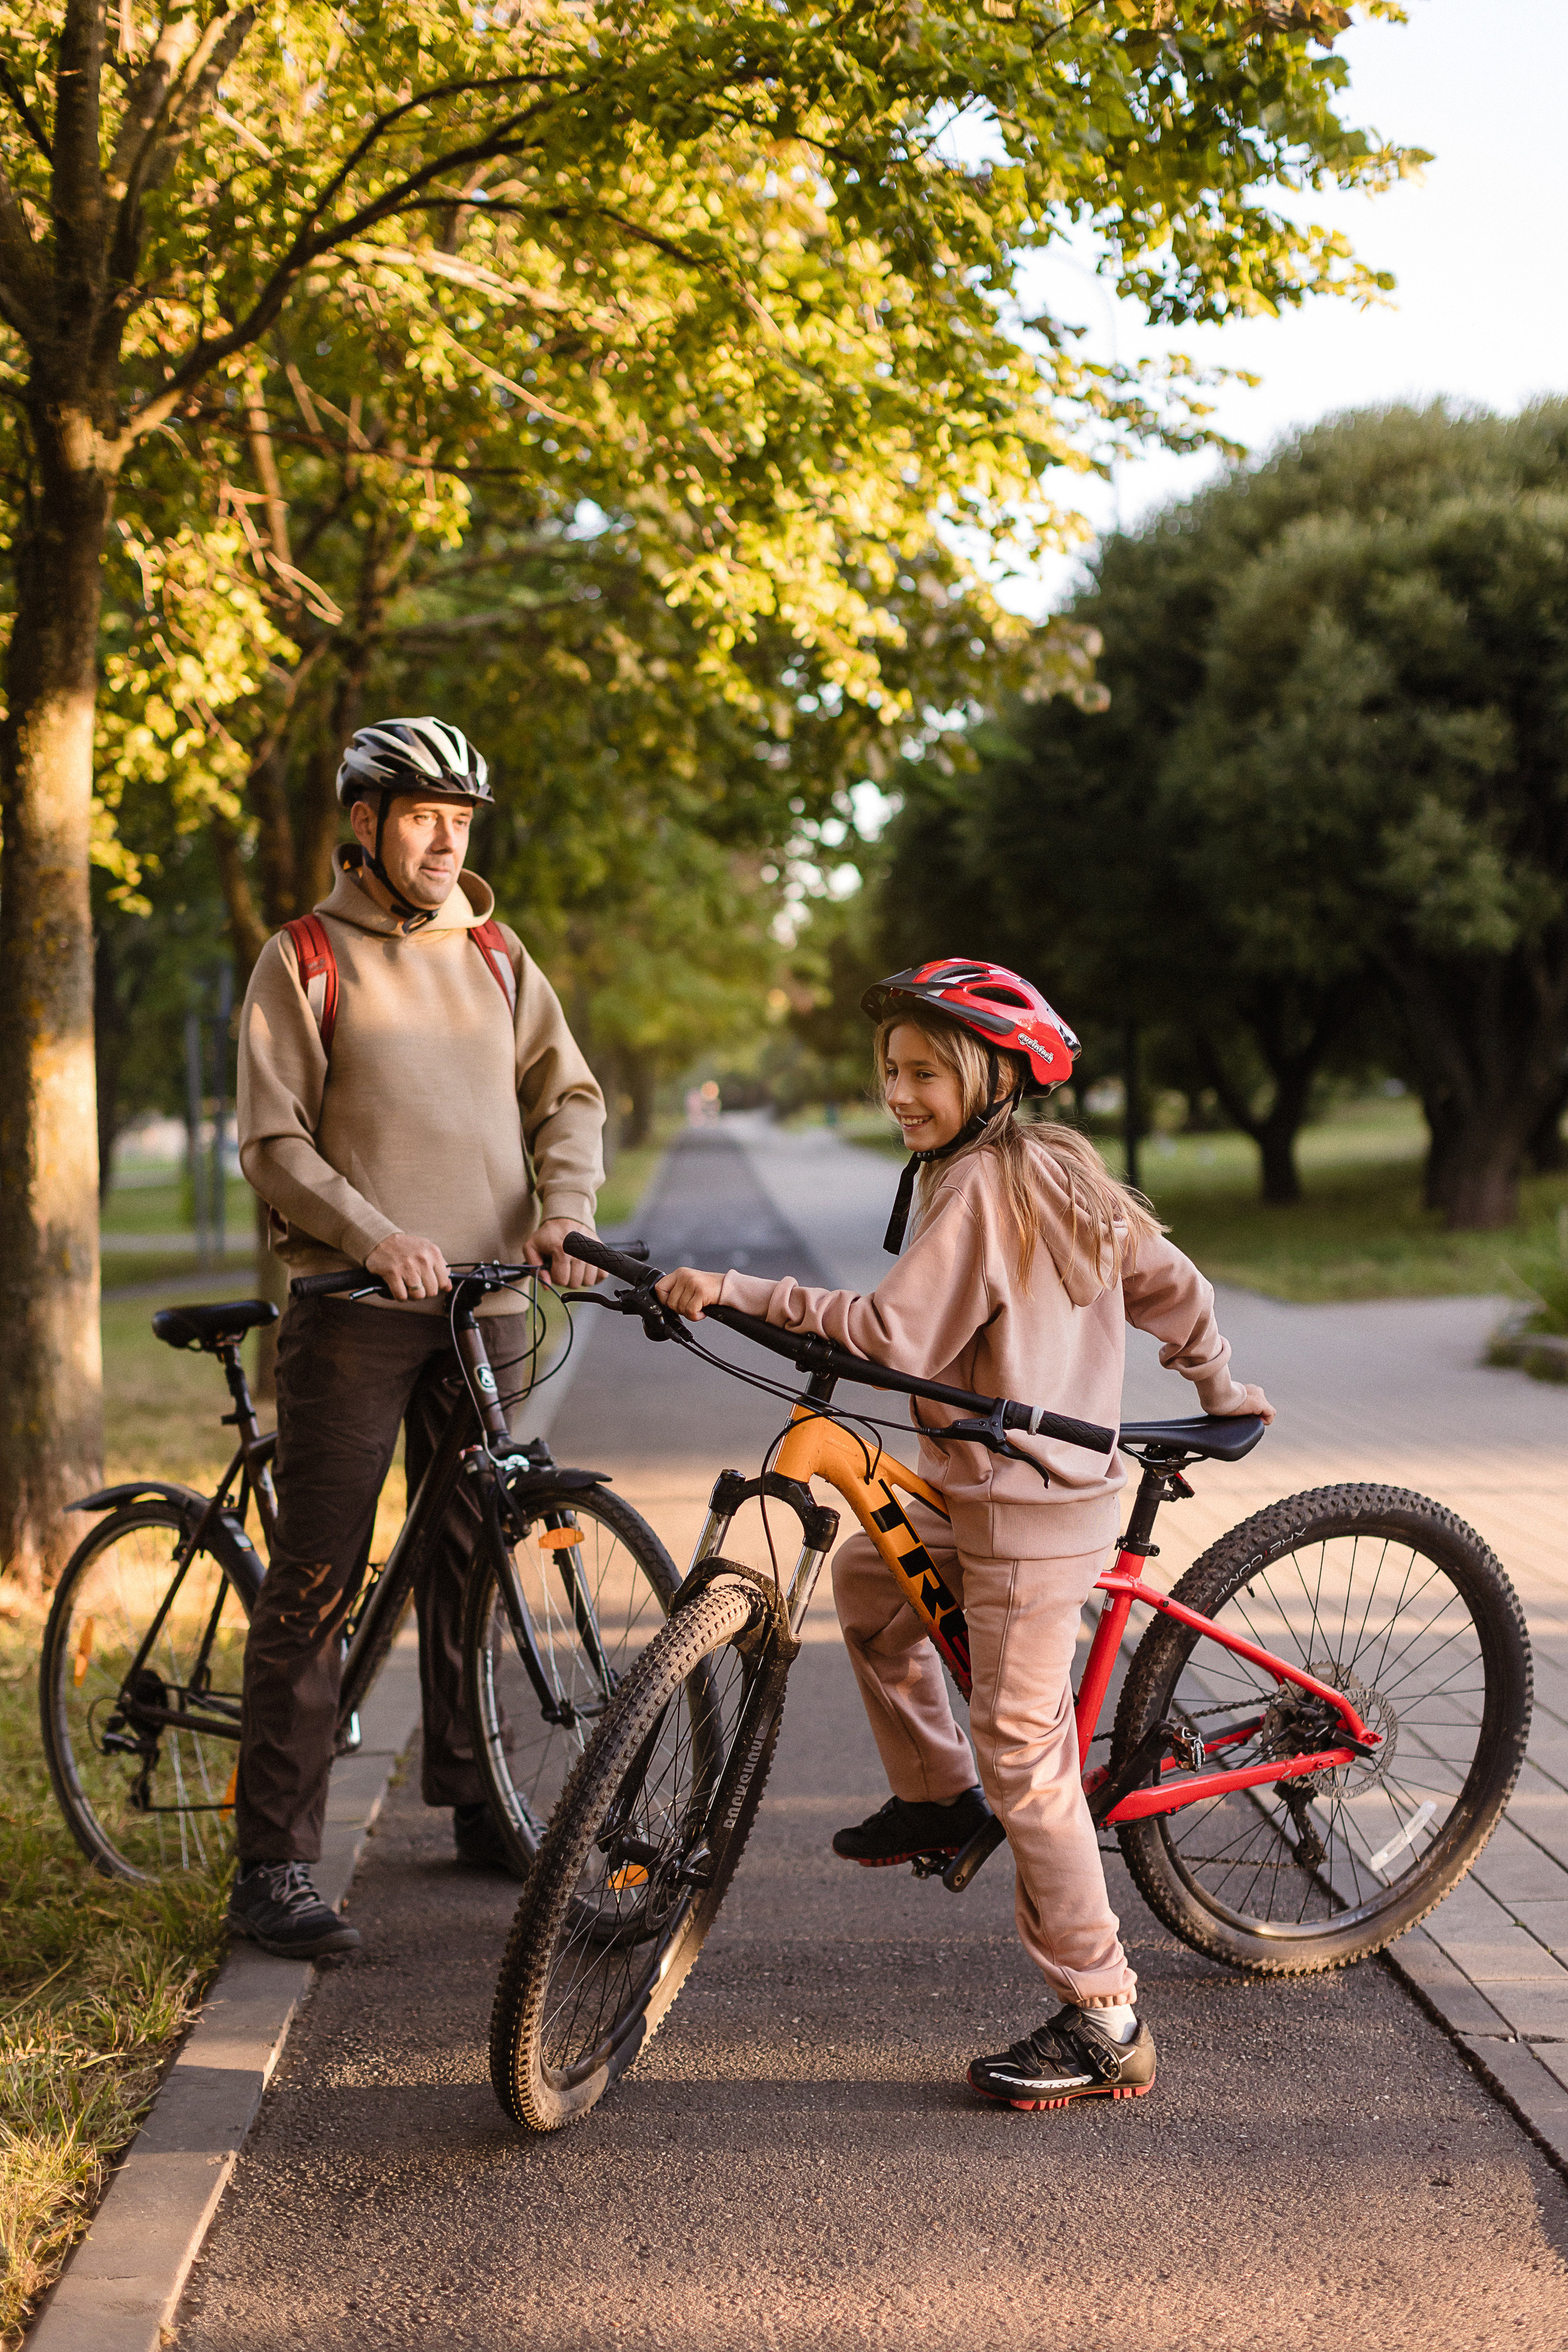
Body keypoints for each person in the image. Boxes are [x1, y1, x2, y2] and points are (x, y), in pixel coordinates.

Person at [655, 957, 1275, 2111]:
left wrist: (738, 1290)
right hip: (984, 1485)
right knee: (868, 1581)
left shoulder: (994, 1183)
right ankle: (940, 1798)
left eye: (925, 1072)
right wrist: (1219, 1377)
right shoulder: (1035, 1169)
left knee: (1027, 1758)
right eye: (890, 1068)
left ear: (990, 1075)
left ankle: (1109, 2017)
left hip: (1034, 1507)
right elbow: (1173, 1284)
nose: (900, 1091)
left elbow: (893, 1334)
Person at [230, 716, 607, 1959]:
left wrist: (564, 1212)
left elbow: (566, 1095)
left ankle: (475, 1796)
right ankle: (274, 1866)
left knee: (468, 1557)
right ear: (365, 826)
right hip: (354, 1317)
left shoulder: (498, 955)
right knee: (319, 1577)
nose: (446, 836)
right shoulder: (303, 957)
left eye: (461, 816)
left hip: (489, 1307)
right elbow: (275, 1143)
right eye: (421, 813)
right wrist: (370, 1232)